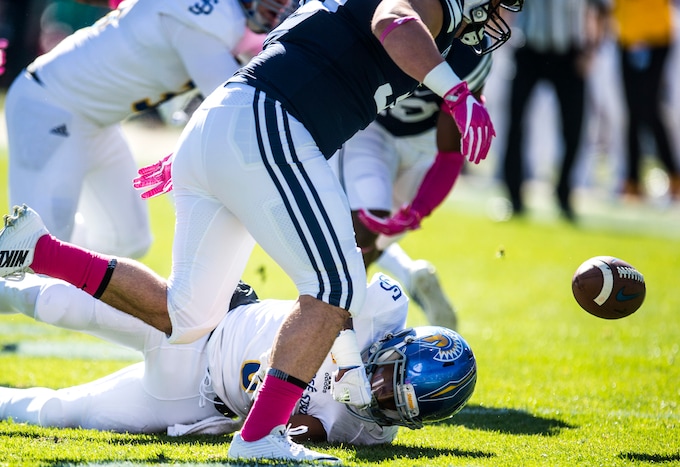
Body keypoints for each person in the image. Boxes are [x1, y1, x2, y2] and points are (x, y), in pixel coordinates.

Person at [0, 0, 521, 462]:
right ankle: (259, 437)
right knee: (335, 287)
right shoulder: (428, 9)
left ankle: (39, 250)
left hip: (234, 118)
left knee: (186, 312)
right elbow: (395, 17)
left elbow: (290, 55)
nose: (500, 14)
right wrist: (454, 92)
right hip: (267, 122)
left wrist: (208, 145)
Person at [0, 272, 477, 446]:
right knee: (63, 304)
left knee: (67, 413)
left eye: (398, 405)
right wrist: (348, 360)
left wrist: (281, 420)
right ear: (398, 345)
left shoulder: (372, 428)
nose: (378, 398)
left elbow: (306, 431)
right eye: (387, 380)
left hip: (195, 399)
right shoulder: (384, 307)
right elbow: (341, 278)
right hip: (208, 320)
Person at [3, 0, 289, 258]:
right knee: (35, 252)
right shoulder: (203, 14)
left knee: (127, 243)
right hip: (48, 107)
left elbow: (190, 107)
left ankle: (63, 287)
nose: (281, 6)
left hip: (97, 121)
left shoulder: (220, 21)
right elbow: (236, 110)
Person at [333, 38, 494, 330]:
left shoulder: (473, 56)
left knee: (374, 239)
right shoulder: (392, 17)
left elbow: (450, 154)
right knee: (363, 231)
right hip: (372, 126)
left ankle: (345, 332)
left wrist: (420, 209)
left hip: (426, 144)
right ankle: (341, 332)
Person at [499, 0, 609, 221]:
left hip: (570, 52)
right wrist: (506, 37)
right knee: (515, 123)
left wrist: (591, 51)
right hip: (528, 48)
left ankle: (564, 193)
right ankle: (514, 197)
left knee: (574, 128)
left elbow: (601, 9)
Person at [612, 0, 680, 201]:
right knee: (632, 111)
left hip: (656, 35)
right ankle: (633, 179)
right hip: (627, 35)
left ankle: (675, 175)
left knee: (649, 108)